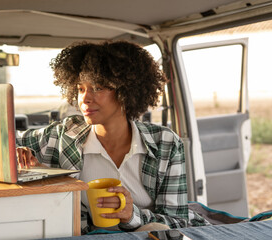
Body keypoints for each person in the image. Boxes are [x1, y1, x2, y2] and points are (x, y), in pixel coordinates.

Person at [16, 40, 208, 233]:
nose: (85, 99)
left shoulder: (166, 143)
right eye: (81, 89)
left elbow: (178, 222)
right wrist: (15, 152)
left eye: (98, 88)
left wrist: (131, 215)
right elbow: (0, 141)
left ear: (126, 91)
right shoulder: (62, 136)